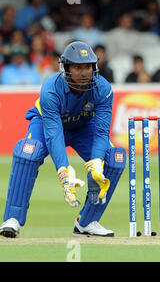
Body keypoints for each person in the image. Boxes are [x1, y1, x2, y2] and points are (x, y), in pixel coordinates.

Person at [0, 41, 126, 238]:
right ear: (66, 68)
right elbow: (54, 133)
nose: (84, 73)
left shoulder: (103, 88)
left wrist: (96, 164)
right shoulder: (51, 88)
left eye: (88, 67)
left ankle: (87, 222)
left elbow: (102, 133)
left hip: (83, 127)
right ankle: (12, 219)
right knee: (28, 151)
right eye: (77, 67)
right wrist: (63, 172)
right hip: (46, 124)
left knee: (114, 158)